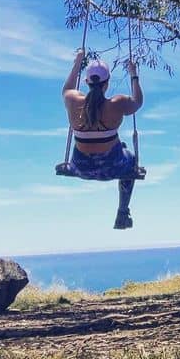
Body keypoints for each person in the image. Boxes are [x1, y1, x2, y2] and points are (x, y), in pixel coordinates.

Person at [62, 48, 144, 229]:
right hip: (112, 168)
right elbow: (138, 101)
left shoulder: (72, 101)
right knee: (130, 159)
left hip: (81, 168)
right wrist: (134, 75)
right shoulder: (118, 104)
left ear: (86, 81)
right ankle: (123, 212)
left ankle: (116, 149)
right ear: (107, 83)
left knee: (117, 146)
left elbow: (67, 88)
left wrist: (78, 62)